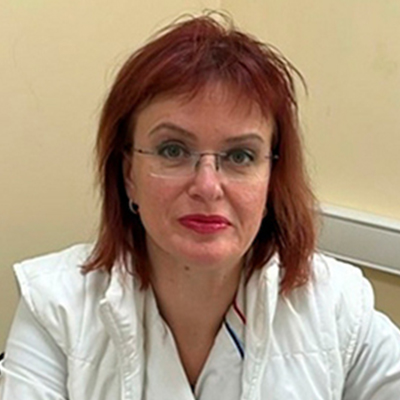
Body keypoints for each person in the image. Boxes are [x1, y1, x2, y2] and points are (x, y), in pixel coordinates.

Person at [0, 12, 399, 400]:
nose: (208, 187)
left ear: (271, 179)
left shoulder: (338, 306)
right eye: (173, 150)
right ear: (128, 174)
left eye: (240, 156)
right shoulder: (55, 308)